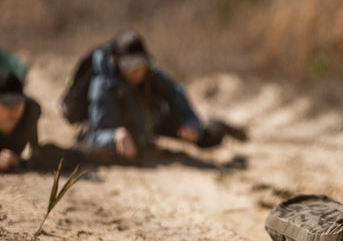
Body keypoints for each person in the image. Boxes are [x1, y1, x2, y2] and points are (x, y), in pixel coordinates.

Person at [80, 29, 247, 163]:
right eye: (128, 64)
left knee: (206, 138)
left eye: (140, 62)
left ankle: (221, 126)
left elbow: (183, 106)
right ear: (115, 61)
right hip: (123, 133)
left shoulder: (155, 76)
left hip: (153, 121)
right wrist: (114, 135)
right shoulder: (103, 85)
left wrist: (192, 125)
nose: (135, 70)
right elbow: (96, 134)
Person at [0, 68, 40, 172]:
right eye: (8, 103)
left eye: (18, 102)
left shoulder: (31, 110)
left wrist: (19, 161)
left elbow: (35, 152)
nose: (14, 109)